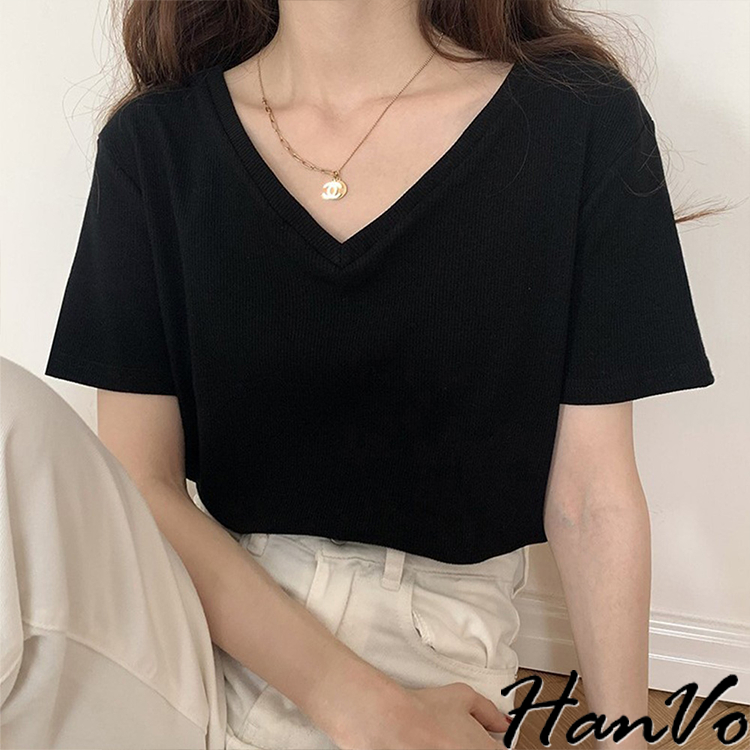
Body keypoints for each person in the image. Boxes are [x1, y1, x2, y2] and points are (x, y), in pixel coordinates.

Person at [1, 0, 717, 748]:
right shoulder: (153, 145)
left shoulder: (579, 124)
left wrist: (623, 737)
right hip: (191, 625)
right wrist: (355, 703)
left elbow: (591, 498)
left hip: (429, 652)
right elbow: (140, 486)